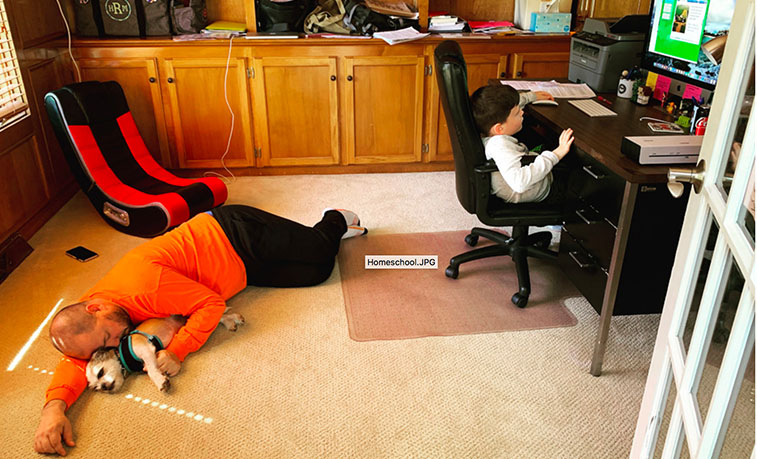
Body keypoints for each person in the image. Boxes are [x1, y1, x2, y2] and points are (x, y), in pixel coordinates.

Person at [33, 205, 367, 456]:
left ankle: (334, 218)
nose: (114, 345)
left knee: (319, 250)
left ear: (97, 309)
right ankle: (324, 237)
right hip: (240, 270)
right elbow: (76, 360)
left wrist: (179, 350)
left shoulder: (144, 286)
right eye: (102, 346)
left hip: (234, 232)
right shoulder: (94, 317)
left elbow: (210, 305)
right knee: (318, 272)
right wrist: (54, 409)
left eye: (108, 338)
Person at [470, 85, 574, 204]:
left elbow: (503, 106)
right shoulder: (500, 146)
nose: (522, 112)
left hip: (529, 167)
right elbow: (519, 183)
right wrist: (557, 154)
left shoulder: (485, 129)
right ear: (499, 128)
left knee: (543, 140)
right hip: (543, 190)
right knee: (577, 171)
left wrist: (531, 96)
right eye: (516, 113)